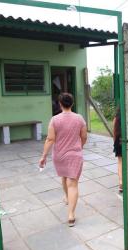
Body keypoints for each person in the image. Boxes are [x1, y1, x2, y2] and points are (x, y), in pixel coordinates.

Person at [39, 93, 87, 227]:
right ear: (72, 103)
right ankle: (71, 215)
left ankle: (66, 197)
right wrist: (79, 147)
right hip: (74, 155)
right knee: (73, 183)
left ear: (60, 104)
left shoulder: (54, 119)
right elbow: (84, 136)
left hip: (59, 156)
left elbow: (50, 139)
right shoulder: (80, 119)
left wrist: (43, 156)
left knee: (64, 176)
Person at [113, 107, 123, 193]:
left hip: (118, 141)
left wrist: (115, 142)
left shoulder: (116, 118)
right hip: (126, 141)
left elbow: (114, 132)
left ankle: (121, 182)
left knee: (120, 162)